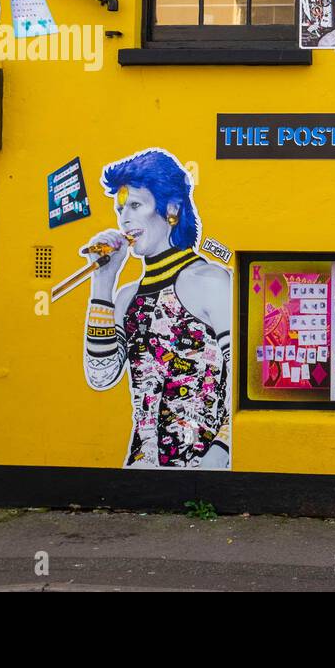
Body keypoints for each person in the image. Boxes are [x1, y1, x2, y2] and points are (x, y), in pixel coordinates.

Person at [81, 149, 234, 469]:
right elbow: (101, 376)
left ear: (172, 209)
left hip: (202, 465)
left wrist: (222, 447)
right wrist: (103, 281)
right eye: (120, 209)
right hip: (139, 467)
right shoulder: (126, 297)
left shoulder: (210, 280)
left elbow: (240, 376)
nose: (125, 219)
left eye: (135, 205)